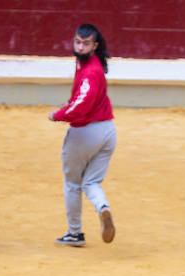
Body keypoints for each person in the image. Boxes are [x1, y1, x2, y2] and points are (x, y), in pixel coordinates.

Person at [49, 23, 117, 247]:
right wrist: (70, 103)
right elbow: (83, 98)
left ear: (94, 46)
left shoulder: (90, 71)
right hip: (108, 131)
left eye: (85, 44)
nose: (79, 47)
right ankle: (102, 207)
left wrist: (59, 114)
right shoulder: (91, 63)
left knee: (72, 183)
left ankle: (75, 232)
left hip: (85, 134)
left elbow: (82, 104)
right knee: (92, 181)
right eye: (77, 42)